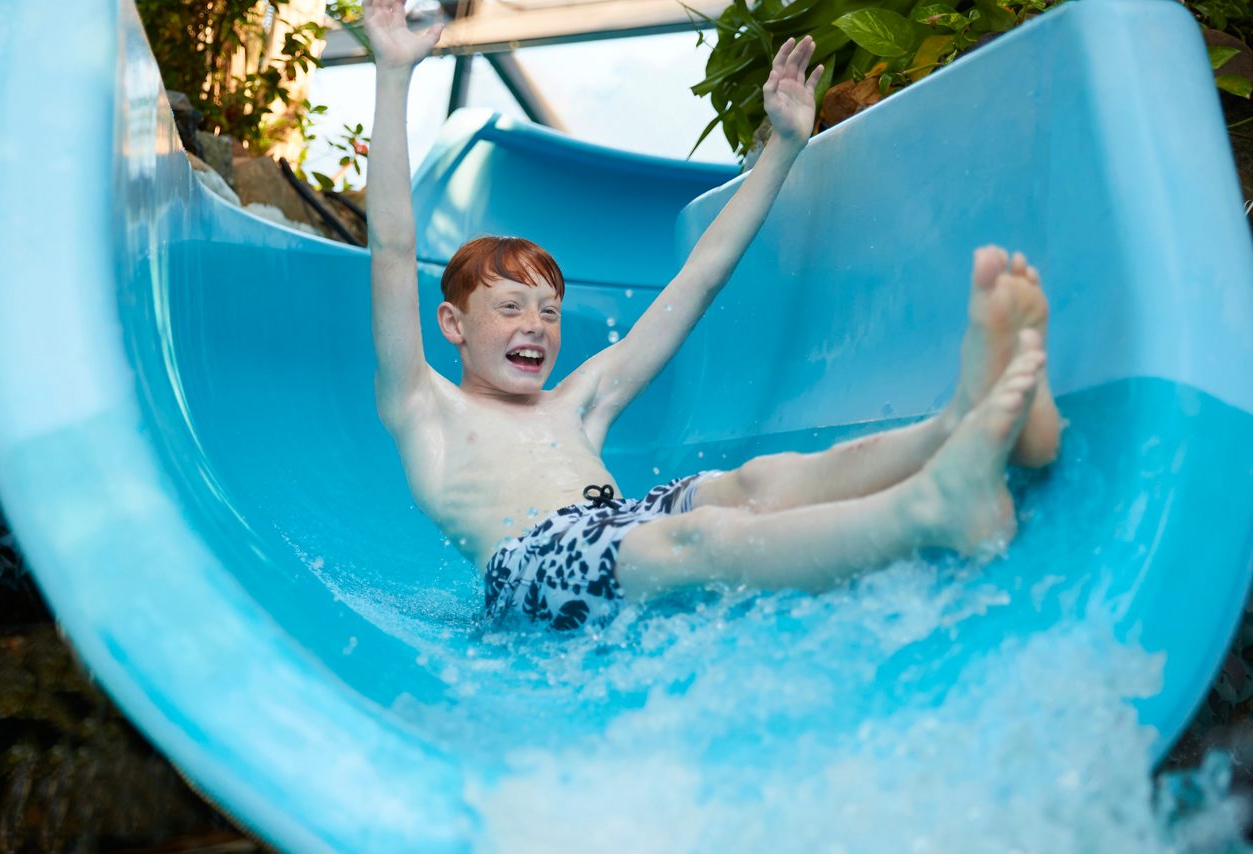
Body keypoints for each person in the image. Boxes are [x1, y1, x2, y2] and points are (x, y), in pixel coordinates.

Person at [362, 0, 1062, 631]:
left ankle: (958, 426)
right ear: (453, 325)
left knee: (751, 484)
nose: (536, 326)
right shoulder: (425, 406)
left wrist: (783, 149)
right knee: (692, 540)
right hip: (533, 570)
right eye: (510, 307)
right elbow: (393, 248)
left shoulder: (576, 403)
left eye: (549, 311)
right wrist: (394, 73)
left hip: (620, 525)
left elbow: (697, 281)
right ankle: (929, 509)